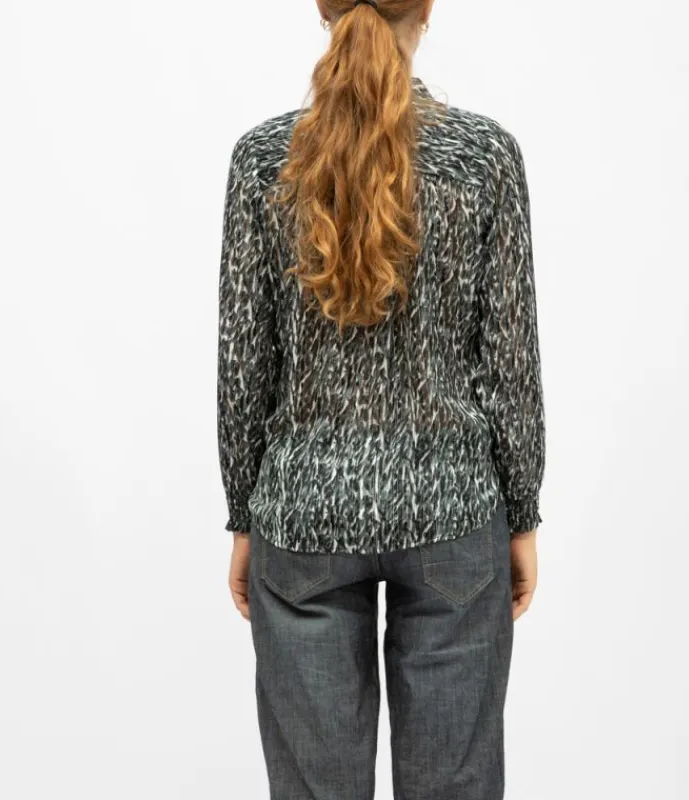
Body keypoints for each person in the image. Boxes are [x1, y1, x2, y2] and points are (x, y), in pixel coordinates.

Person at [216, 0, 545, 796]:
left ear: (320, 9)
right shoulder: (483, 159)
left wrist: (244, 513)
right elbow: (509, 361)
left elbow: (243, 364)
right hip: (454, 511)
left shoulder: (264, 161)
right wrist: (521, 513)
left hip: (303, 516)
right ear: (425, 11)